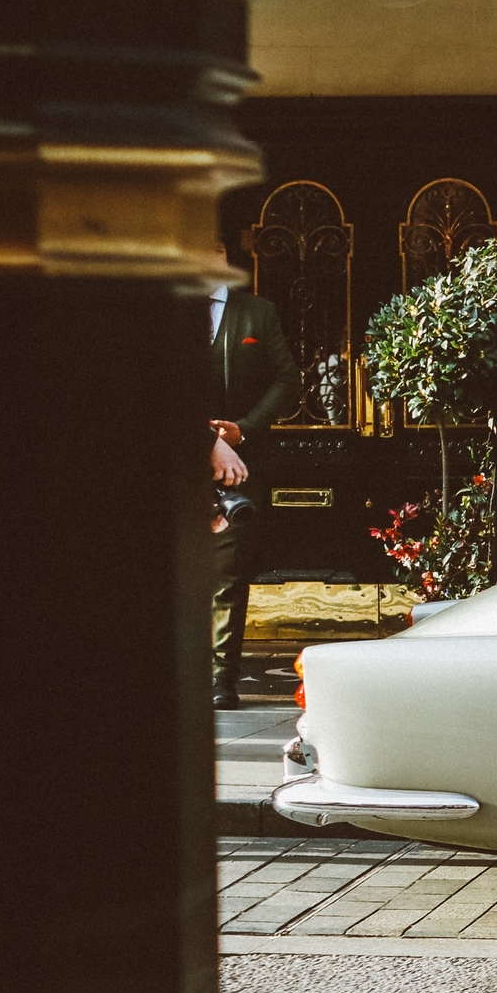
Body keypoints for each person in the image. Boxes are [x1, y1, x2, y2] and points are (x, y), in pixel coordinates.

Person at [208, 267, 300, 710]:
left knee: (228, 575)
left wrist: (241, 431)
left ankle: (219, 681)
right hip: (173, 459)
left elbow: (287, 379)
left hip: (239, 466)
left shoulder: (257, 314)